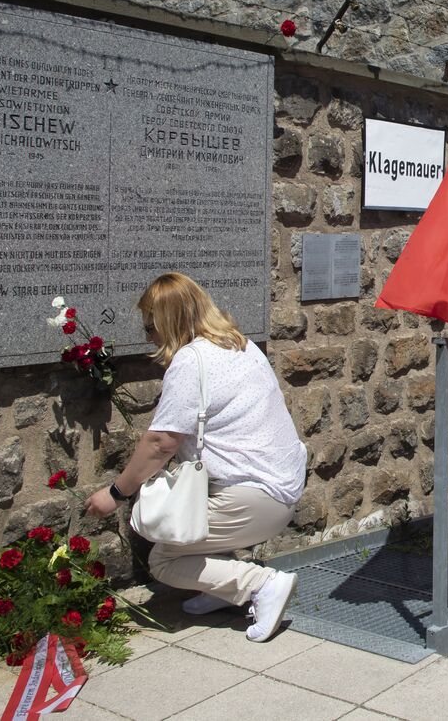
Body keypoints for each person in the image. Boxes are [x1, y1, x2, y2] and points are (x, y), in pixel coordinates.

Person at [85, 272, 308, 643]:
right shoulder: (240, 344)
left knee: (163, 560)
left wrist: (115, 494)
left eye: (150, 326)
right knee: (195, 510)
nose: (147, 336)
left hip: (252, 497)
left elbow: (161, 443)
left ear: (170, 322)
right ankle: (220, 590)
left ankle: (260, 583)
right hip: (279, 487)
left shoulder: (191, 361)